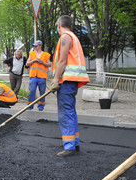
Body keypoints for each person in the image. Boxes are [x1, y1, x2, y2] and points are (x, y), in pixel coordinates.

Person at [50, 15, 90, 157]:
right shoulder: (73, 36)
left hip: (66, 81)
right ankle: (74, 143)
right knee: (70, 111)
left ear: (59, 25)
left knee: (65, 113)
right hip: (72, 81)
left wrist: (55, 80)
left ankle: (69, 147)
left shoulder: (65, 37)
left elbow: (62, 61)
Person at [25, 40, 52, 111]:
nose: (35, 47)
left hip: (42, 77)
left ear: (40, 46)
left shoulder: (46, 54)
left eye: (36, 46)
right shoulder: (32, 54)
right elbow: (27, 64)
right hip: (33, 76)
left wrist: (42, 62)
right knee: (32, 91)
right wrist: (33, 61)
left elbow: (49, 64)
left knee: (42, 92)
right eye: (34, 46)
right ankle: (30, 106)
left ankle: (41, 107)